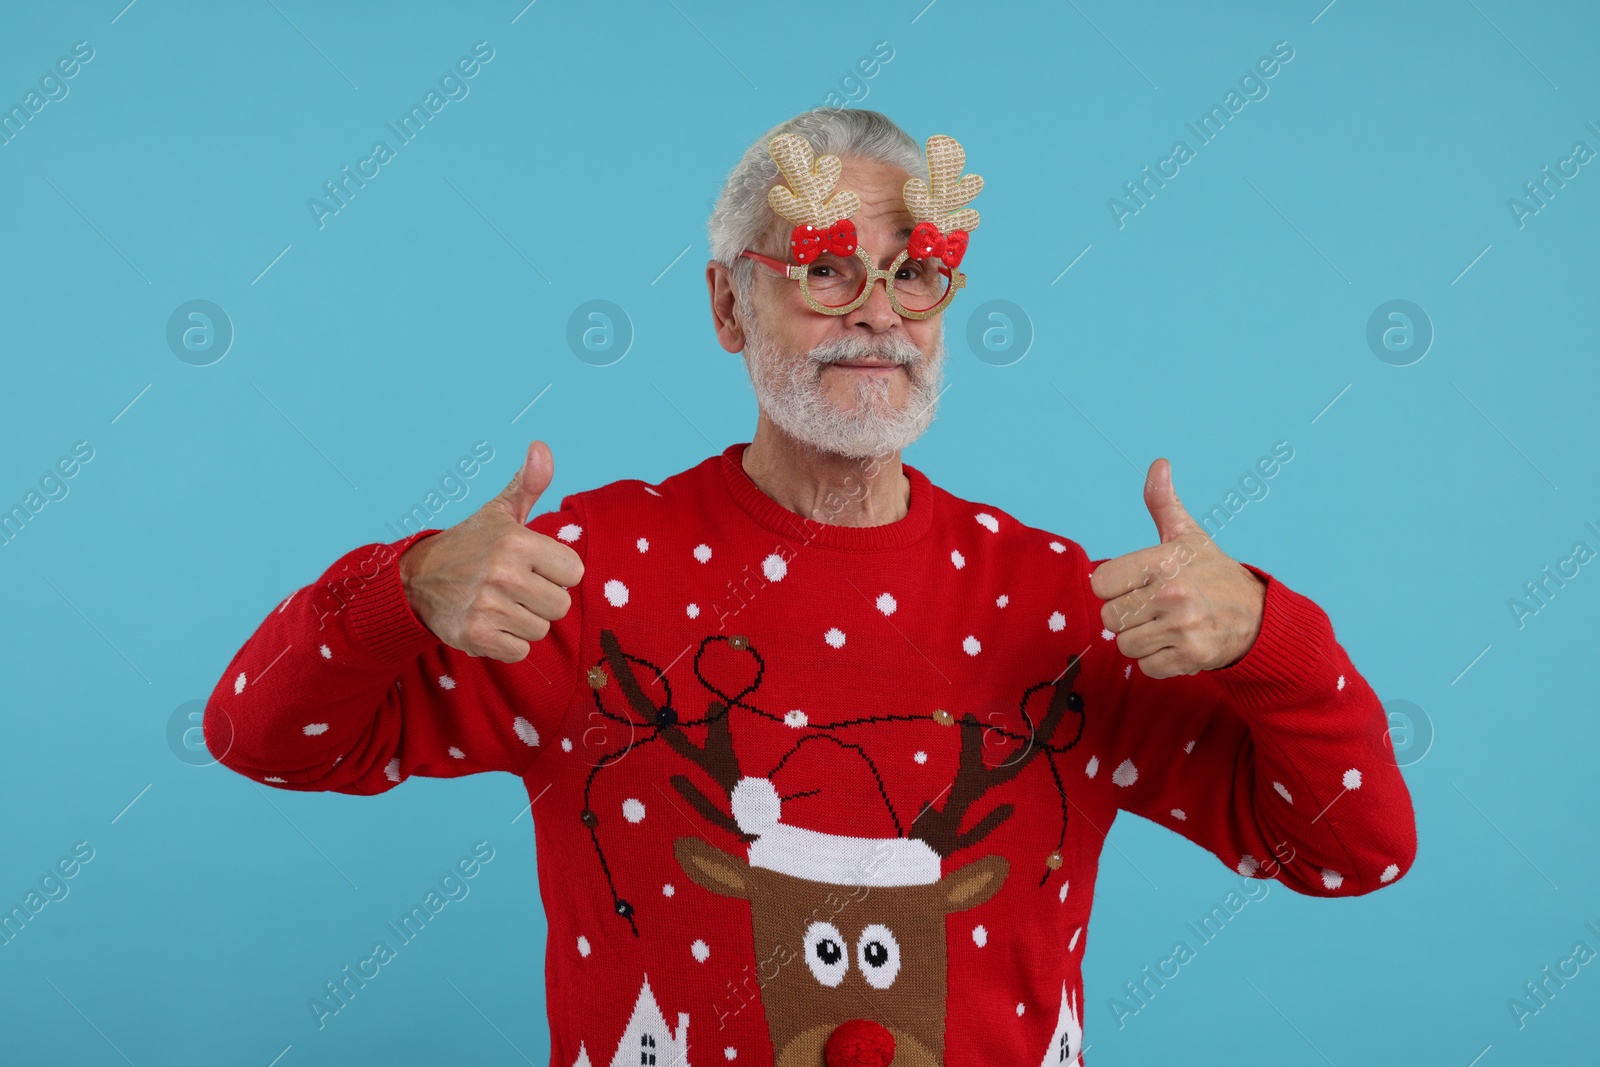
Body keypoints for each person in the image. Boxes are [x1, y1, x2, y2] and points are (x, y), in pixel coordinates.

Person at [206, 108, 1416, 1067]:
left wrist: (1269, 634)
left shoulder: (1062, 606)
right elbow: (264, 737)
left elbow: (1354, 850)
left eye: (915, 273)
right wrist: (404, 589)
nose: (878, 316)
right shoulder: (581, 578)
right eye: (825, 272)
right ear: (728, 303)